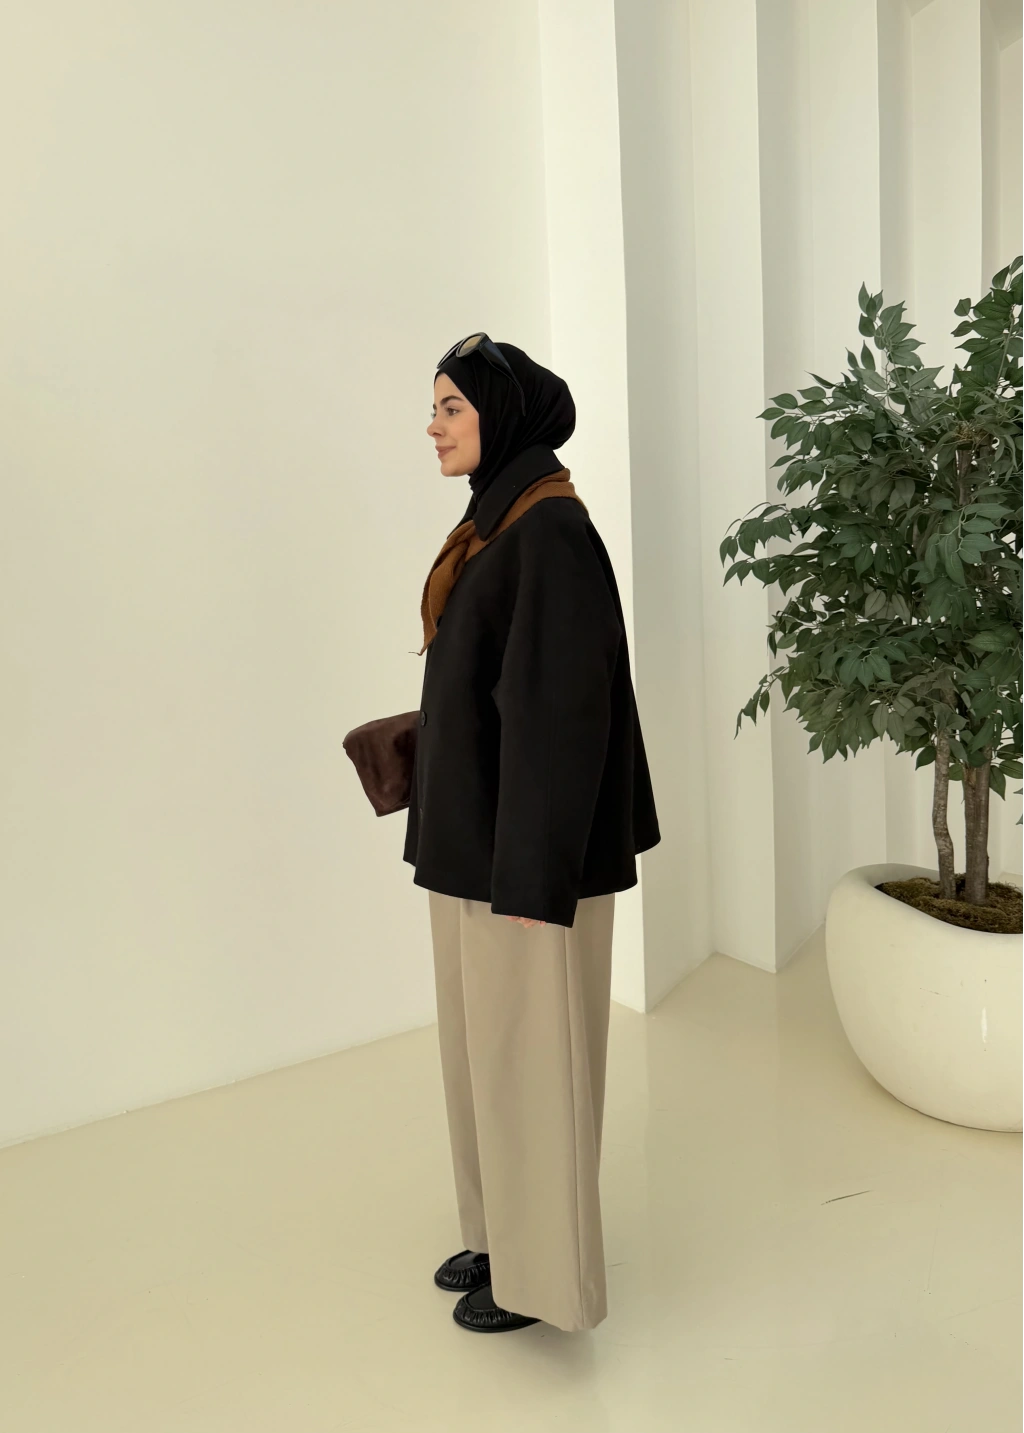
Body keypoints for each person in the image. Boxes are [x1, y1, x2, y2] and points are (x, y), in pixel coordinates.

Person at [403, 333, 660, 1334]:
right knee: (481, 1059)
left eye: (450, 407)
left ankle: (546, 1279)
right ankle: (499, 1235)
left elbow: (562, 714)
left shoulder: (549, 531)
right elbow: (491, 680)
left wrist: (534, 879)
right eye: (434, 407)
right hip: (475, 843)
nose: (432, 426)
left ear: (501, 415)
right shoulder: (497, 521)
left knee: (532, 1067)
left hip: (524, 863)